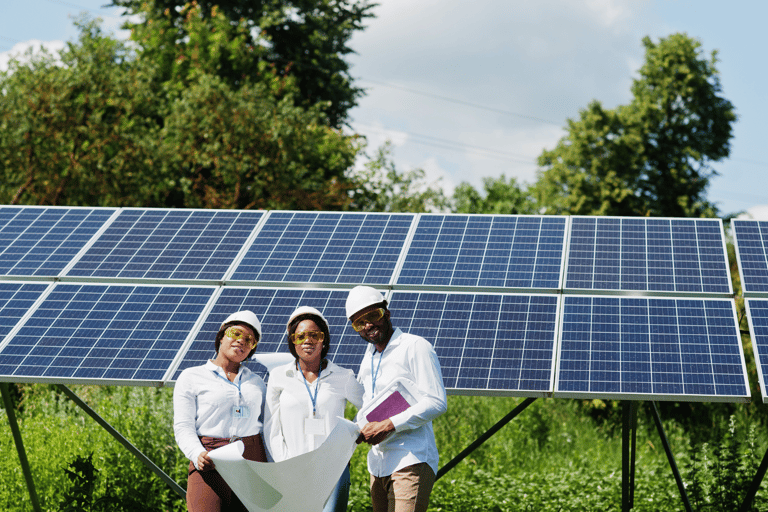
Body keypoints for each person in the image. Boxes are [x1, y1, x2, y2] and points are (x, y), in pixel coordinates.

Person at [346, 286, 447, 512]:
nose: (368, 325)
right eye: (359, 323)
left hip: (410, 458)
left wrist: (389, 425)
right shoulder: (369, 357)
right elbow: (370, 406)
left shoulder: (415, 346)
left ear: (386, 313)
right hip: (378, 466)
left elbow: (437, 402)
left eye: (373, 316)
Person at [264, 306, 364, 512]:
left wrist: (350, 436)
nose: (307, 340)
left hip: (333, 469)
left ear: (324, 339)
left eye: (314, 335)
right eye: (300, 336)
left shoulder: (343, 376)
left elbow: (369, 407)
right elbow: (271, 427)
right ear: (292, 341)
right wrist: (284, 464)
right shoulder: (279, 376)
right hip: (292, 467)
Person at [173, 310, 268, 512]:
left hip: (252, 462)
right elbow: (183, 425)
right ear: (221, 336)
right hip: (210, 459)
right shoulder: (191, 377)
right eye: (235, 333)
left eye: (249, 339)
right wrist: (197, 453)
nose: (241, 341)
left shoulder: (257, 383)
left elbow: (267, 427)